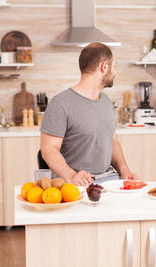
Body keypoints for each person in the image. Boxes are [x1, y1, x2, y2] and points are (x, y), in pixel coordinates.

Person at [40, 42, 139, 186]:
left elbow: (113, 141)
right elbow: (48, 149)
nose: (115, 73)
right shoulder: (60, 104)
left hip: (108, 179)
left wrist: (125, 171)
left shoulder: (106, 102)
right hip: (73, 185)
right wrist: (72, 176)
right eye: (114, 66)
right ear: (104, 66)